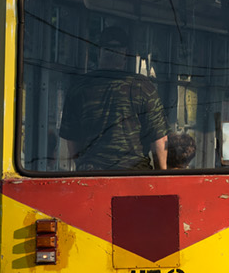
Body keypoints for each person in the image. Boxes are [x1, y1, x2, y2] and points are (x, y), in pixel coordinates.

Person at [59, 28, 168, 171]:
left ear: (99, 53)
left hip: (91, 174)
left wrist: (81, 166)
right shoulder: (143, 87)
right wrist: (162, 173)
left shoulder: (80, 87)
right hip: (134, 174)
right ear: (125, 55)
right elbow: (158, 138)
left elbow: (72, 137)